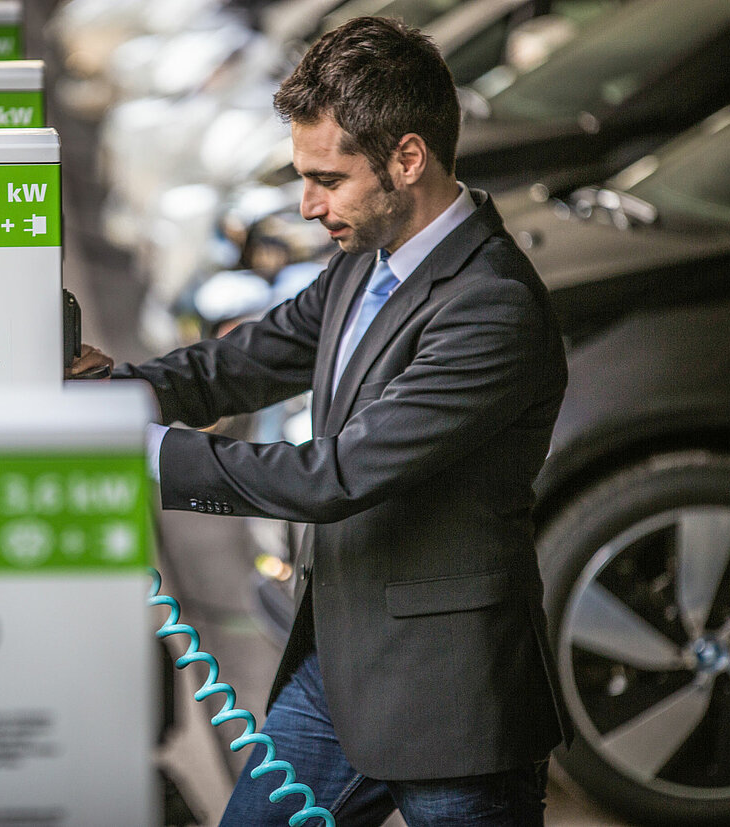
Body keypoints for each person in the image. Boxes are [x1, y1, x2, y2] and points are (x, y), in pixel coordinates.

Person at [72, 15, 572, 826]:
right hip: (337, 667)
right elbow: (241, 362)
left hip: (450, 703)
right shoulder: (362, 264)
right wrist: (110, 394)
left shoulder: (491, 308)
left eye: (327, 178)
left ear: (407, 159)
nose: (307, 204)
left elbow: (336, 474)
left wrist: (144, 453)